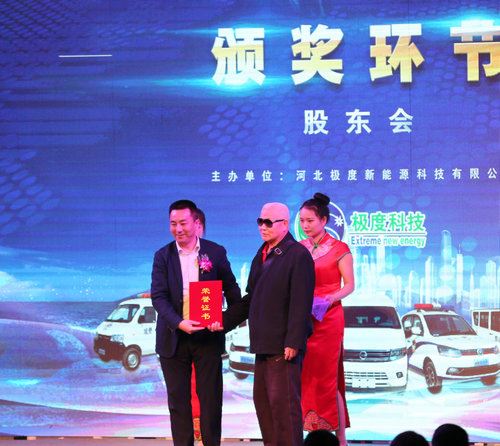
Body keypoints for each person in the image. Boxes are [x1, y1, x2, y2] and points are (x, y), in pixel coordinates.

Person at [221, 202, 315, 446]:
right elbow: (250, 299)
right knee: (264, 406)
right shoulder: (261, 255)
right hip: (262, 345)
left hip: (283, 347)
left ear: (284, 224)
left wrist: (293, 340)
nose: (262, 227)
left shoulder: (297, 255)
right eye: (260, 222)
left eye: (268, 222)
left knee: (284, 410)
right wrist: (221, 322)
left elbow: (301, 301)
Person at [151, 199, 241, 446]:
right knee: (178, 402)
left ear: (196, 222)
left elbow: (232, 290)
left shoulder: (215, 252)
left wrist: (224, 321)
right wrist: (179, 322)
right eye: (173, 224)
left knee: (211, 400)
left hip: (207, 338)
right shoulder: (162, 256)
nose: (178, 229)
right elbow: (158, 297)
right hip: (174, 337)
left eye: (183, 223)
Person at [299, 193, 355, 446]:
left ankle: (340, 439)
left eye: (310, 220)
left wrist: (328, 299)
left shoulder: (339, 248)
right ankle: (309, 434)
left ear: (323, 220)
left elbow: (349, 285)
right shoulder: (298, 248)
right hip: (304, 319)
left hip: (328, 318)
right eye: (302, 221)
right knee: (306, 378)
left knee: (328, 379)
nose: (305, 225)